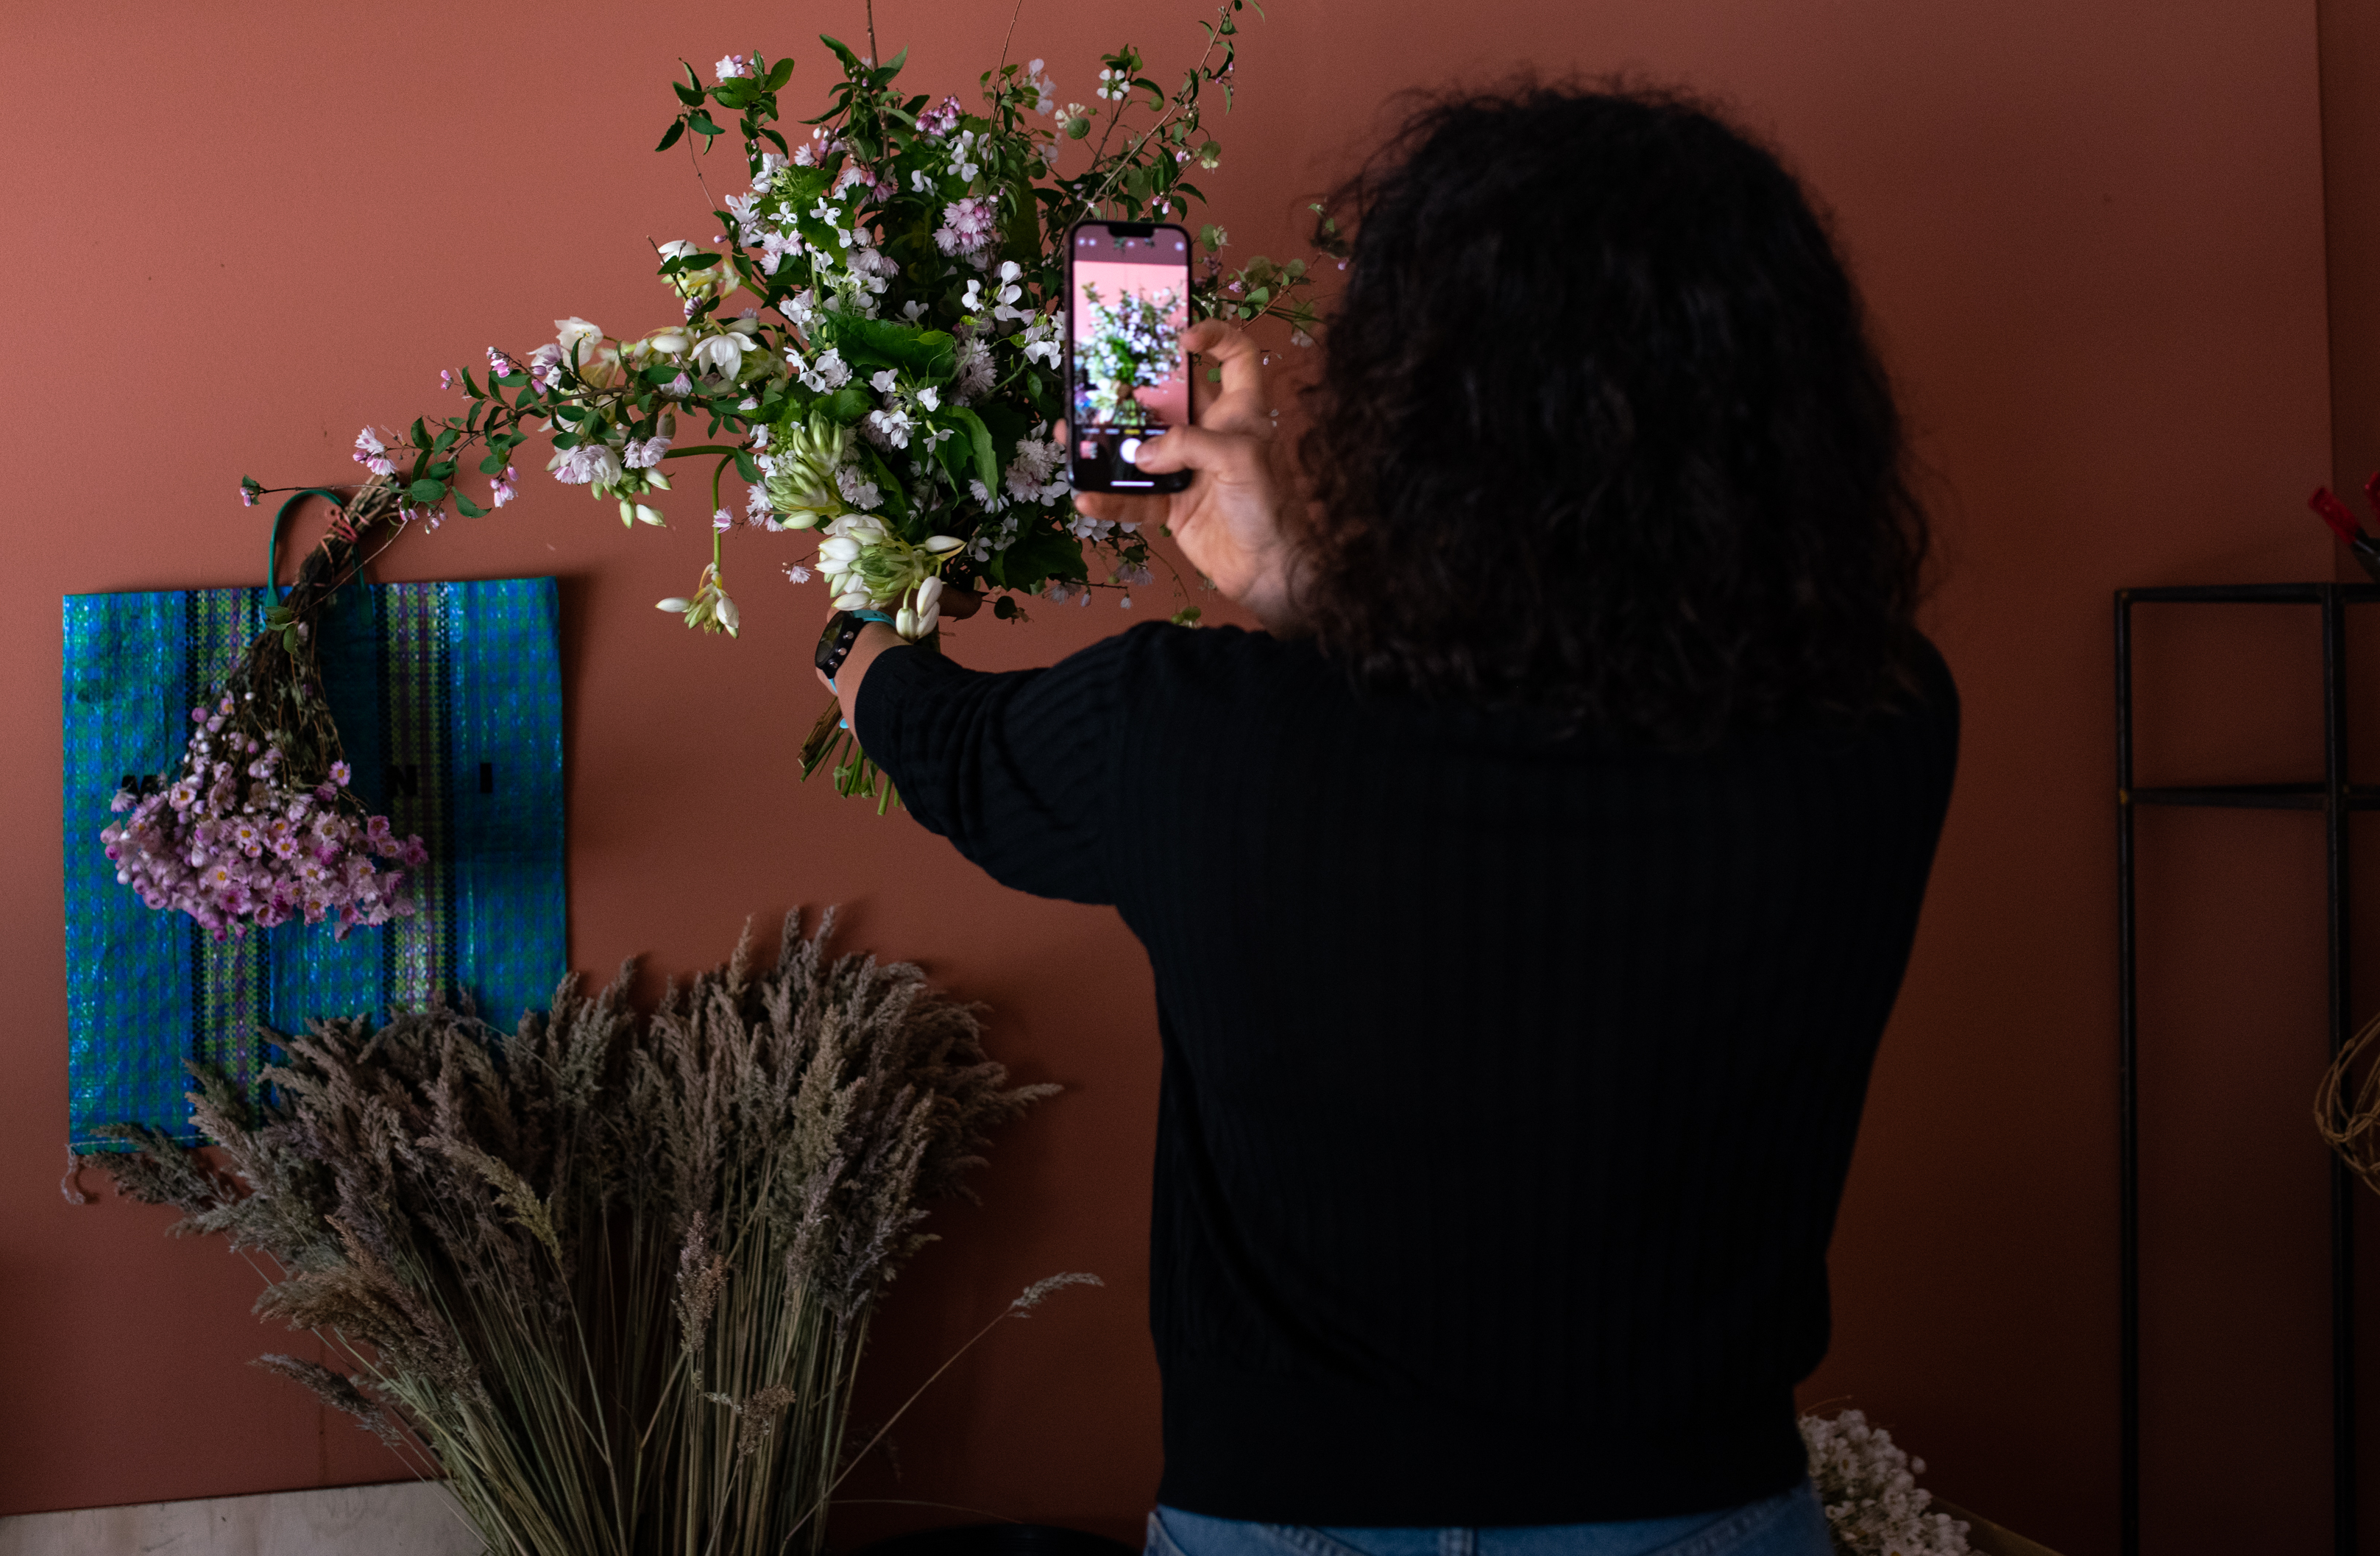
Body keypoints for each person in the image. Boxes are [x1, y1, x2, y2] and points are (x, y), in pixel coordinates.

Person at [813, 84, 1958, 1556]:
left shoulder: (1202, 730)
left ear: (1417, 412)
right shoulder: (1880, 722)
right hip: (1700, 1511)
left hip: (1291, 1521)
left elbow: (950, 749)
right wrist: (1292, 590)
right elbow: (1530, 735)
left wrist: (849, 628)